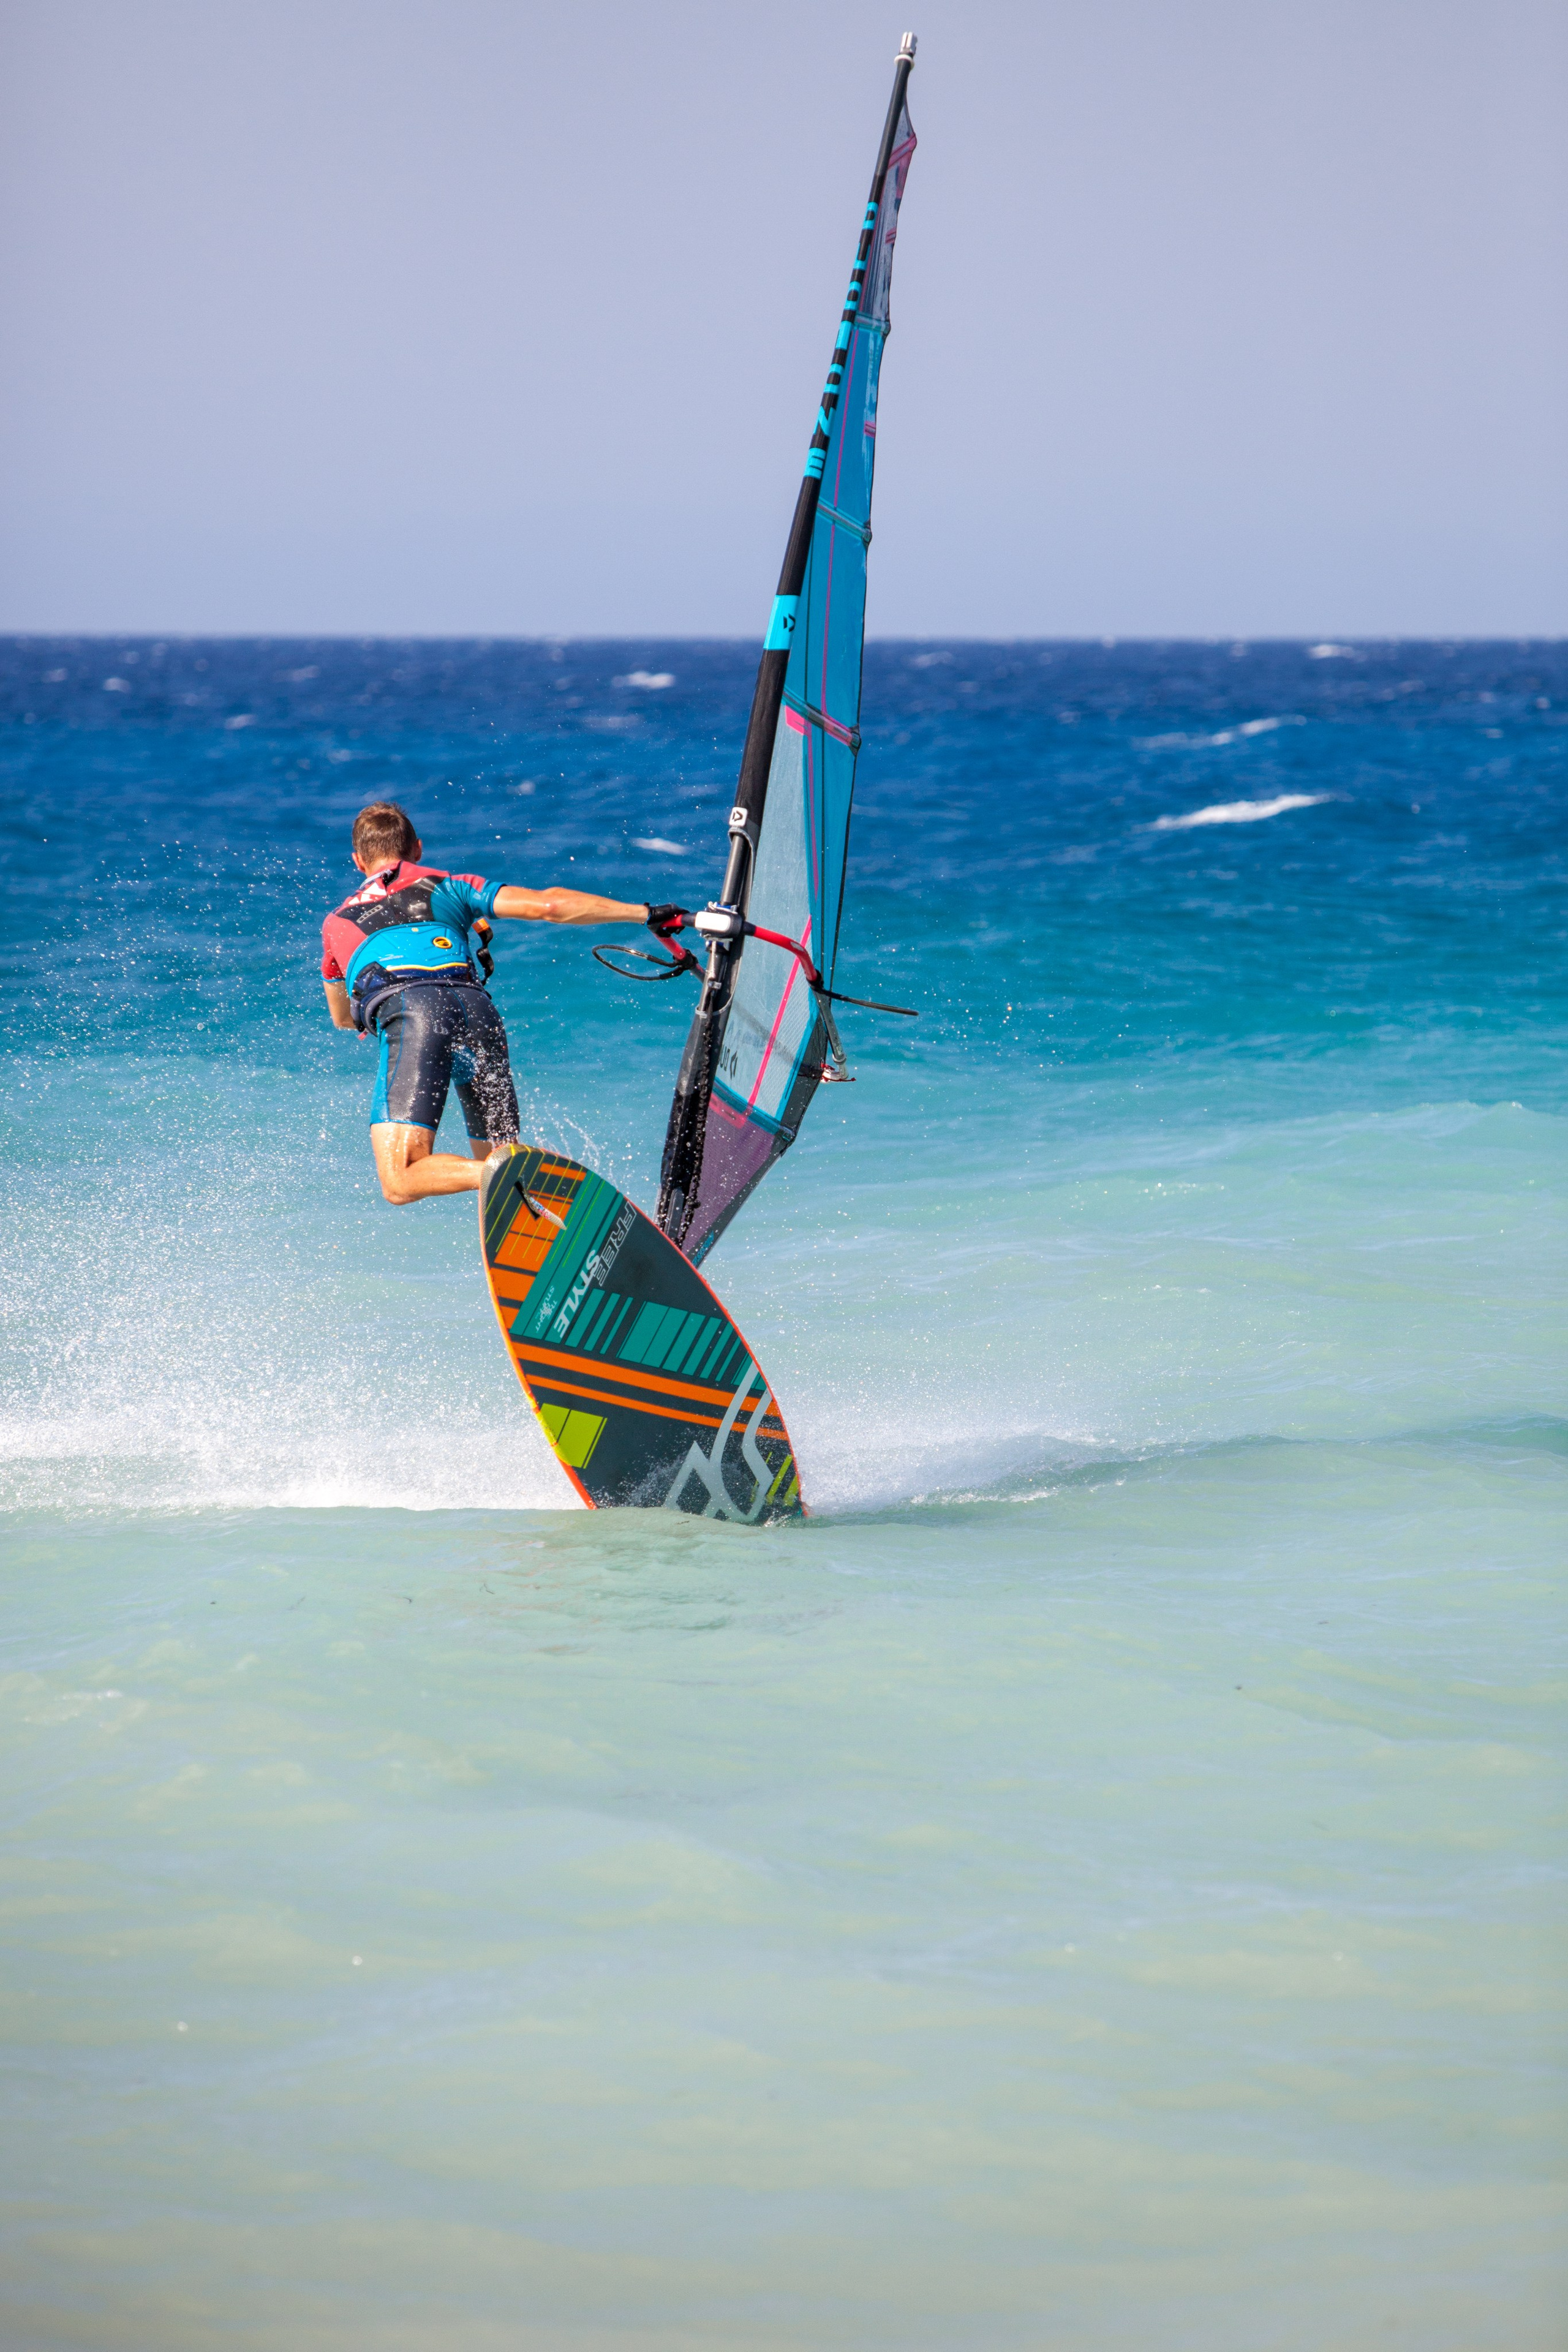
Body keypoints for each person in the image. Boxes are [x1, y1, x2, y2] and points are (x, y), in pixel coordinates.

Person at [322, 800, 687, 1205]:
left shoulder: (336, 923)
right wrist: (645, 913)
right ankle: (533, 1202)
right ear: (418, 849)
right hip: (478, 1012)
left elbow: (342, 1017)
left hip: (415, 1015)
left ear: (358, 861)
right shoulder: (451, 886)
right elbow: (548, 906)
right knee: (503, 1177)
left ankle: (529, 1177)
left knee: (401, 1178)